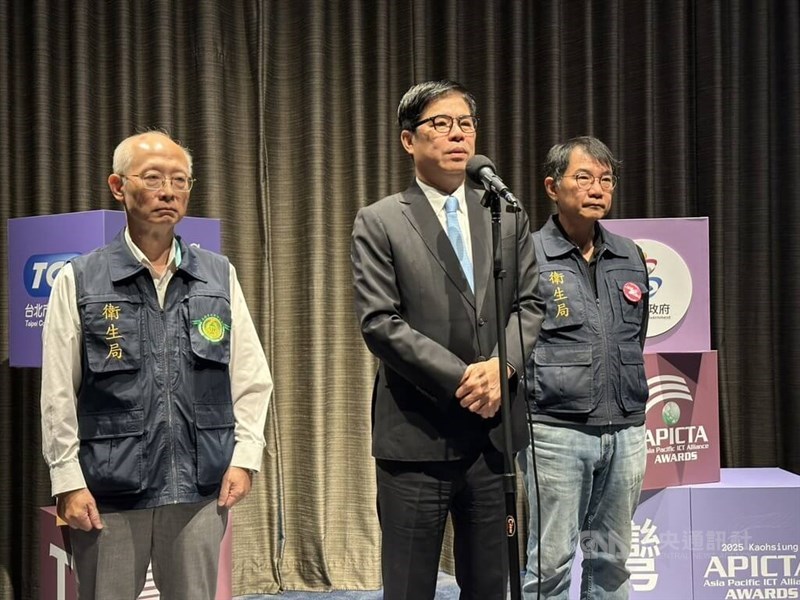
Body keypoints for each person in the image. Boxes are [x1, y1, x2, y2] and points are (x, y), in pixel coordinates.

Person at [40, 130, 273, 599]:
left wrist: (245, 459)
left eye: (180, 180)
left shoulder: (217, 274)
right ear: (118, 186)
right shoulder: (80, 277)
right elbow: (59, 391)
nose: (169, 191)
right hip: (109, 487)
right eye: (153, 178)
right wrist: (67, 480)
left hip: (198, 485)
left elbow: (251, 378)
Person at [351, 80, 544, 600]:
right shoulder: (381, 219)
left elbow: (532, 304)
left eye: (465, 124)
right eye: (440, 124)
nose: (457, 134)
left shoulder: (505, 213)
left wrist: (502, 368)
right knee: (410, 585)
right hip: (417, 434)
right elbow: (380, 322)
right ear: (409, 141)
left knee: (489, 583)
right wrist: (465, 377)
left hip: (493, 437)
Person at [518, 136, 649, 599]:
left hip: (627, 429)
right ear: (553, 187)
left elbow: (636, 335)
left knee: (611, 563)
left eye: (606, 180)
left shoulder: (630, 254)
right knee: (548, 564)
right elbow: (515, 337)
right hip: (556, 431)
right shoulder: (528, 253)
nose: (598, 189)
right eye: (584, 178)